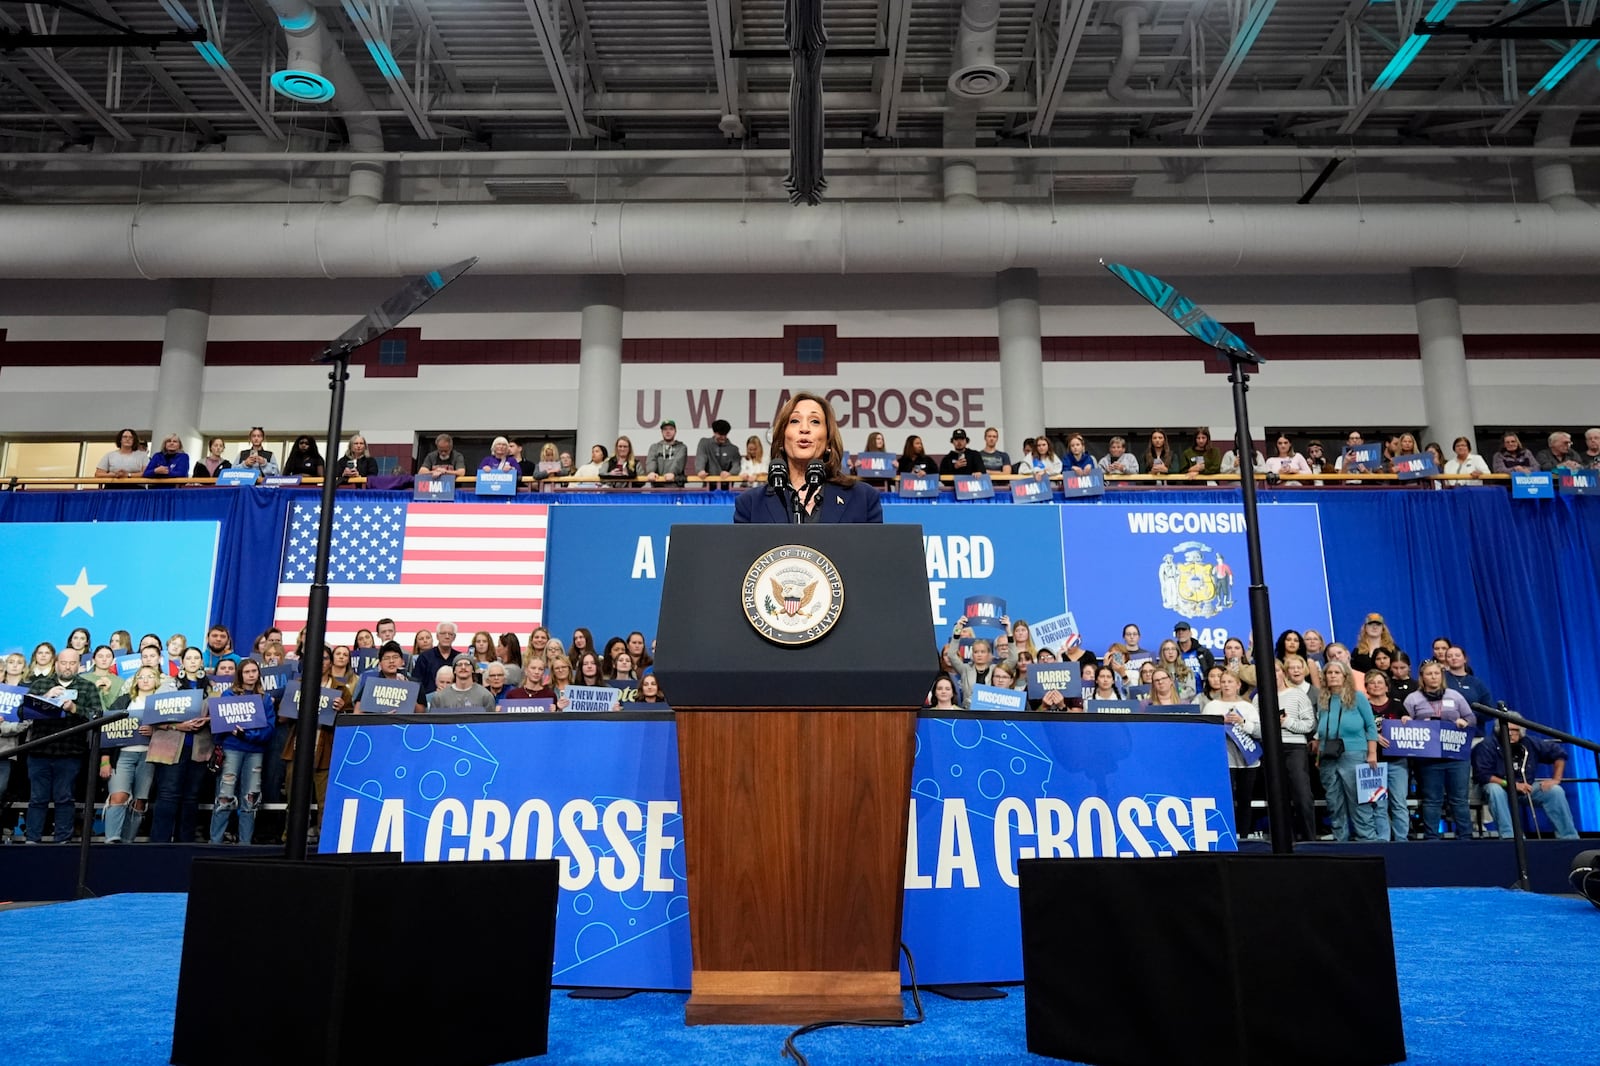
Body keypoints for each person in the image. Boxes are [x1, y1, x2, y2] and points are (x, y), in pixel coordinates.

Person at [734, 392, 883, 523]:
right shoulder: (750, 505)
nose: (804, 429)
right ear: (781, 439)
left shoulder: (863, 499)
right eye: (794, 421)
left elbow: (872, 554)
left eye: (815, 421)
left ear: (828, 441)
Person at [22, 648, 102, 843]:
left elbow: (97, 716)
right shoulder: (40, 684)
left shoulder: (87, 687)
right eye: (64, 663)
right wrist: (46, 697)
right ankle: (32, 840)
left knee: (65, 798)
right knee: (37, 799)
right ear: (56, 664)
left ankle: (62, 841)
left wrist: (75, 708)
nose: (67, 667)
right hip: (40, 751)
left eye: (72, 663)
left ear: (79, 665)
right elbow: (21, 712)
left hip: (70, 752)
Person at [1403, 660, 1476, 839]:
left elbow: (1472, 719)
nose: (1433, 677)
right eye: (1429, 674)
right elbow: (1403, 726)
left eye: (1436, 673)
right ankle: (1432, 838)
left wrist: (1464, 722)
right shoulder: (1413, 698)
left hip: (1456, 758)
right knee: (1432, 800)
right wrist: (1414, 724)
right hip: (1429, 760)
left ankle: (1466, 837)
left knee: (1459, 799)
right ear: (1422, 677)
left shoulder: (1455, 695)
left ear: (1441, 676)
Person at [1470, 721, 1578, 839]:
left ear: (1521, 731)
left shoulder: (1529, 743)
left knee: (1555, 791)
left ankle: (1569, 836)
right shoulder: (1486, 745)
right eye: (1507, 730)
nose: (1510, 733)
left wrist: (1556, 779)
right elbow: (1483, 775)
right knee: (1494, 789)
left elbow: (1559, 754)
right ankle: (1510, 836)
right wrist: (1512, 784)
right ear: (1499, 731)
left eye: (1514, 730)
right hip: (1501, 787)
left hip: (1526, 787)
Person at [209, 659, 275, 844]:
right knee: (224, 796)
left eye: (254, 671)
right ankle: (215, 842)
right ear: (240, 675)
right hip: (232, 750)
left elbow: (269, 730)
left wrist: (246, 735)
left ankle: (245, 844)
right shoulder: (228, 695)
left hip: (255, 752)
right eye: (247, 672)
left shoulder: (265, 698)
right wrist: (232, 733)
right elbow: (219, 725)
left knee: (251, 797)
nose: (251, 675)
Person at [1314, 660, 1379, 842]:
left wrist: (1372, 753)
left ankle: (1367, 840)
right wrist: (1319, 756)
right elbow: (1321, 732)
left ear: (1345, 676)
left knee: (1359, 799)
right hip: (1328, 756)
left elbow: (1370, 726)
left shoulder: (1358, 698)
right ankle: (1340, 840)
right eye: (1329, 673)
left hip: (1354, 753)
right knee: (1334, 801)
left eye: (1337, 672)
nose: (1333, 675)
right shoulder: (1323, 700)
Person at [1202, 670, 1261, 836]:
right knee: (1224, 799)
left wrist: (1242, 722)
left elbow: (1259, 732)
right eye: (1224, 682)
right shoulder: (1211, 706)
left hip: (1246, 760)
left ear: (1238, 685)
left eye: (1230, 682)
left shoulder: (1247, 707)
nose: (1226, 685)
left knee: (1245, 799)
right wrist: (1221, 723)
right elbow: (1205, 735)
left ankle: (1245, 834)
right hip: (1223, 760)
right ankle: (1226, 834)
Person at [1270, 663, 1318, 841]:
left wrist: (1287, 723)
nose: (1272, 674)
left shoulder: (1297, 695)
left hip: (1295, 747)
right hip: (1271, 750)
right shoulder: (1258, 698)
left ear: (1283, 673)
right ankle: (1285, 840)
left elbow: (1309, 724)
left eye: (1276, 670)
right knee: (1278, 796)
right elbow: (1259, 728)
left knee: (1302, 794)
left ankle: (1309, 838)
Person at [1365, 669, 1412, 843]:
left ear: (1387, 686)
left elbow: (1410, 730)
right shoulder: (1363, 706)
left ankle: (1401, 840)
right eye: (1372, 682)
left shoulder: (1398, 705)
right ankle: (1382, 840)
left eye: (1379, 682)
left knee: (1399, 802)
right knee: (1378, 804)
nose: (1376, 685)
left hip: (1397, 761)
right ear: (1367, 687)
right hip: (1373, 762)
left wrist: (1408, 720)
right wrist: (1373, 736)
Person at [412, 622, 460, 699]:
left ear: (454, 637)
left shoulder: (459, 658)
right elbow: (416, 684)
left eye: (450, 634)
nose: (447, 636)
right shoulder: (424, 657)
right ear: (437, 636)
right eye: (443, 633)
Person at [644, 420, 688, 484]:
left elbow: (678, 462)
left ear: (675, 431)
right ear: (661, 432)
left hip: (676, 487)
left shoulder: (682, 447)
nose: (668, 431)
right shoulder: (654, 447)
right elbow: (651, 461)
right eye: (665, 429)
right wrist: (651, 472)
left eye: (671, 429)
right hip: (657, 487)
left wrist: (672, 473)